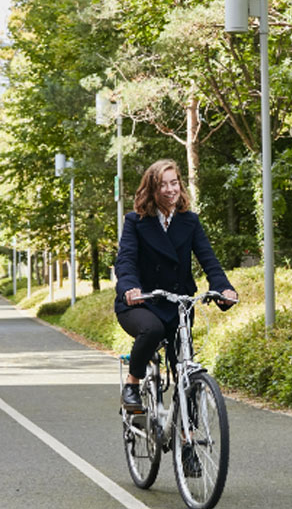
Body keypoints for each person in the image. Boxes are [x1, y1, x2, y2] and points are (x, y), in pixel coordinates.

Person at [115, 159, 237, 410]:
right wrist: (130, 288)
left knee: (184, 367)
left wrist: (223, 288)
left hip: (177, 303)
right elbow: (125, 260)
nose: (171, 189)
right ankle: (133, 382)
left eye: (175, 183)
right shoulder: (136, 221)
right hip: (142, 302)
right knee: (152, 329)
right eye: (163, 185)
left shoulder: (189, 221)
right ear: (152, 188)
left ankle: (186, 432)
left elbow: (208, 259)